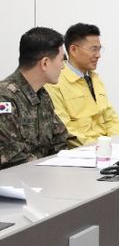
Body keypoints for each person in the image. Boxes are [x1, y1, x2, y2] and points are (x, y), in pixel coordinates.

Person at [46, 23, 119, 148]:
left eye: (99, 49)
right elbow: (66, 129)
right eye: (93, 49)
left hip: (107, 150)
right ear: (73, 50)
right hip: (83, 152)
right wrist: (100, 147)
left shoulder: (95, 79)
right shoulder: (56, 82)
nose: (98, 55)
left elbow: (111, 119)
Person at [0, 27, 68, 169]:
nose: (63, 67)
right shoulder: (5, 98)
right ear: (45, 63)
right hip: (15, 179)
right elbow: (10, 155)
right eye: (61, 60)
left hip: (42, 175)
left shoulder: (42, 95)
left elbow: (60, 139)